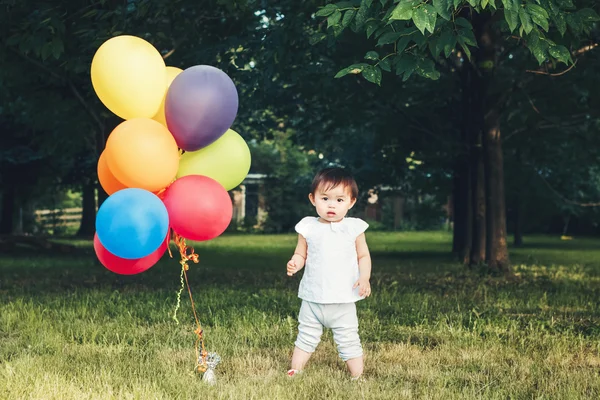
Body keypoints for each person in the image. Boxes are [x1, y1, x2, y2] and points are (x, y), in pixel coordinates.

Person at [286, 167, 372, 380]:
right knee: (305, 336)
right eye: (325, 198)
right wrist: (295, 263)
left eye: (339, 200)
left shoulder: (354, 228)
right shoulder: (308, 227)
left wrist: (364, 277)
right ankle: (295, 370)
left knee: (349, 338)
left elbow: (363, 256)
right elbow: (301, 253)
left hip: (343, 300)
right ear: (313, 199)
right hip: (313, 298)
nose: (331, 204)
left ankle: (357, 376)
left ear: (351, 202)